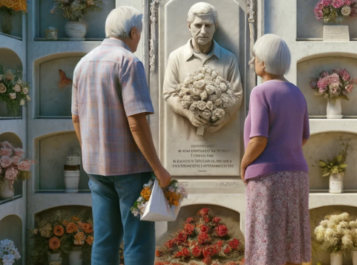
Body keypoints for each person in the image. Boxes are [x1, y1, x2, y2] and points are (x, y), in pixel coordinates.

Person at [71, 6, 171, 265]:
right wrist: (159, 169)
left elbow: (76, 117)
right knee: (137, 240)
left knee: (104, 240)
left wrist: (90, 155)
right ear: (134, 32)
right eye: (139, 35)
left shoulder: (83, 64)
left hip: (96, 170)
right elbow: (136, 122)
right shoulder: (128, 62)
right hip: (131, 170)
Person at [241, 34, 311, 265]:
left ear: (264, 62)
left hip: (267, 179)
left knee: (265, 242)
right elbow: (303, 137)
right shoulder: (297, 93)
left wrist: (244, 164)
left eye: (255, 58)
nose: (253, 62)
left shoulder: (260, 92)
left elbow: (258, 139)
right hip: (297, 177)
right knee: (290, 241)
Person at [163, 2, 243, 136]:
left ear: (215, 26)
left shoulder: (229, 58)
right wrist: (187, 113)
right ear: (189, 26)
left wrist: (225, 118)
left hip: (220, 137)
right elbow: (169, 93)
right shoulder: (175, 57)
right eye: (198, 25)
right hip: (185, 135)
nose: (203, 31)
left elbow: (237, 94)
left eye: (208, 25)